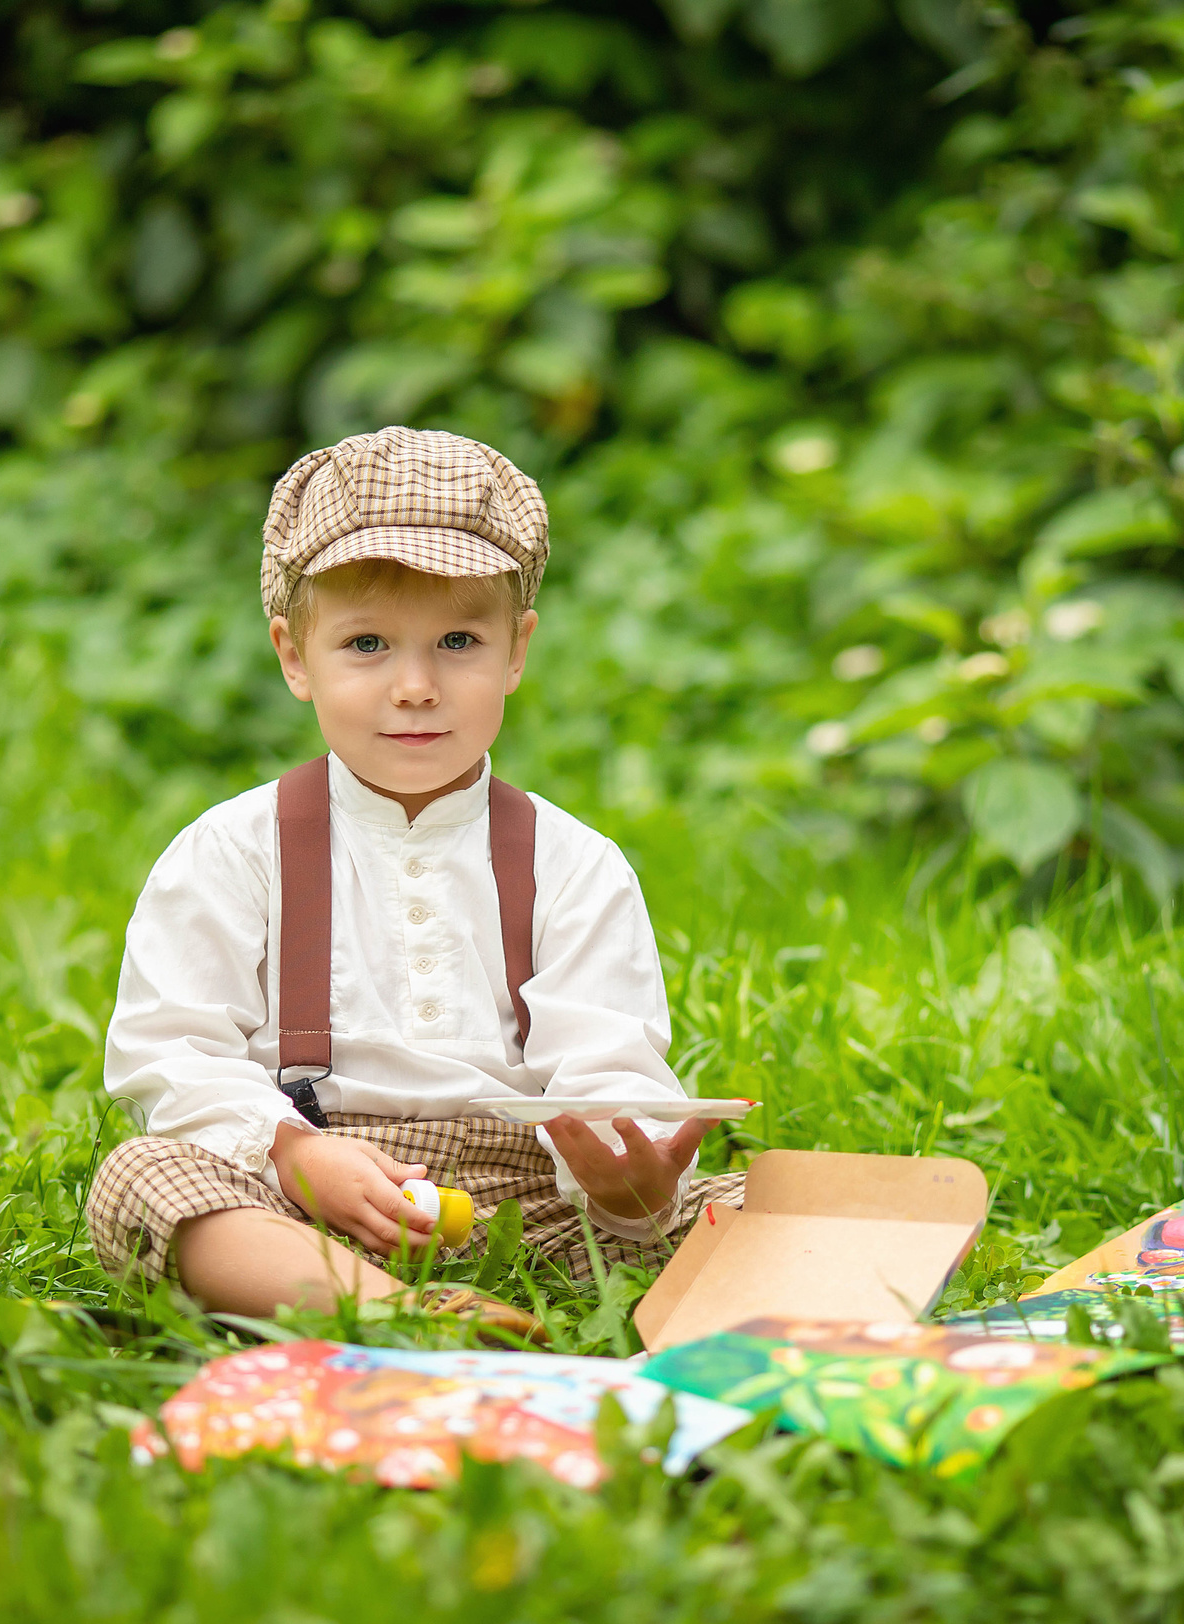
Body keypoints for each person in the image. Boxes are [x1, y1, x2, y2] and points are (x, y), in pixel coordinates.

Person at [86, 426, 745, 1335]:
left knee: (753, 1203)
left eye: (458, 640)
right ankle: (410, 1313)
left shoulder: (574, 861)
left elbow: (606, 1059)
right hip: (314, 1193)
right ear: (293, 656)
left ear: (516, 651)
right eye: (365, 644)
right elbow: (175, 1051)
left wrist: (627, 1181)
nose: (415, 685)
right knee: (144, 1178)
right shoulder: (232, 850)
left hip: (528, 1199)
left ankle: (436, 1300)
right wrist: (289, 1152)